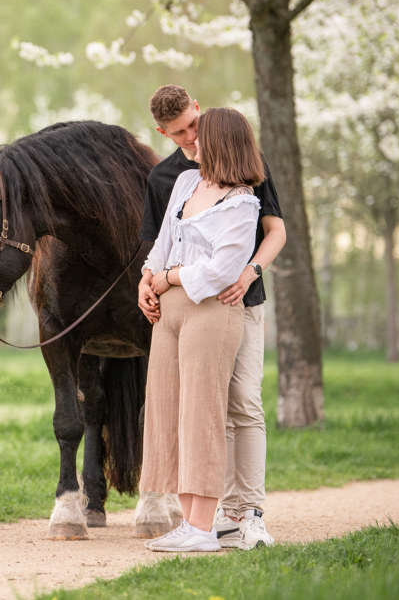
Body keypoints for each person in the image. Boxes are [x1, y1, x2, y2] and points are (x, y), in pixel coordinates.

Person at [139, 85, 286, 550]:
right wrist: (148, 280)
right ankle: (213, 515)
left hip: (236, 298)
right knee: (192, 410)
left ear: (199, 112)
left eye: (195, 127)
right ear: (163, 132)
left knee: (241, 402)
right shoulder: (169, 179)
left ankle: (250, 512)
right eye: (179, 133)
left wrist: (251, 270)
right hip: (179, 298)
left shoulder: (247, 170)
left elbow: (274, 230)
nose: (191, 138)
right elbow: (159, 242)